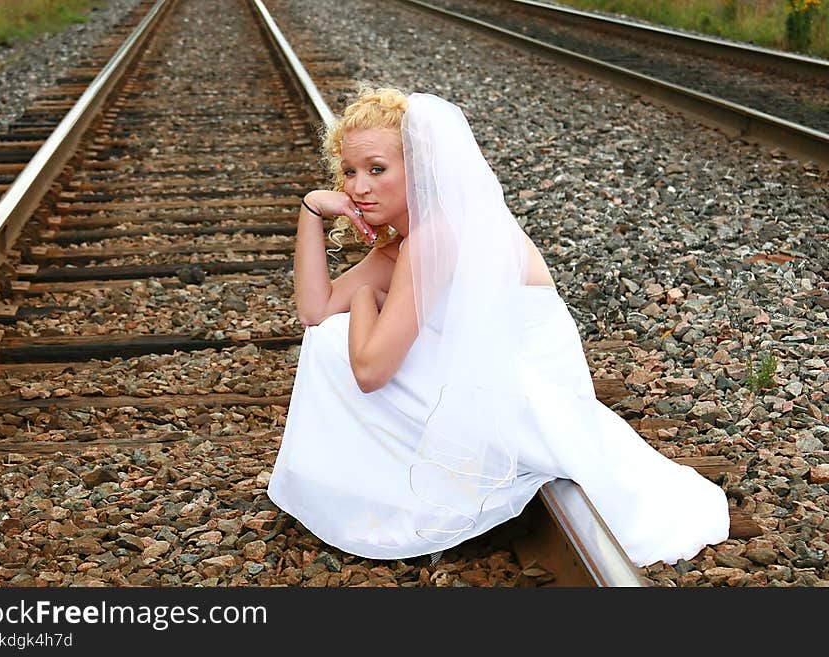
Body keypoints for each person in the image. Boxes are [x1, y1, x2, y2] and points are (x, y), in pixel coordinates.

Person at [267, 86, 730, 569]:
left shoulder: (433, 238)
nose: (358, 188)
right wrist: (312, 210)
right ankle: (377, 489)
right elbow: (315, 309)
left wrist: (364, 299)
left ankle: (375, 498)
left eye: (377, 169)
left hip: (529, 402)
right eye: (350, 172)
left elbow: (369, 371)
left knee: (334, 345)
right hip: (506, 390)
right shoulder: (414, 239)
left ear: (420, 167)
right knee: (328, 336)